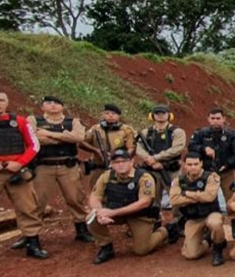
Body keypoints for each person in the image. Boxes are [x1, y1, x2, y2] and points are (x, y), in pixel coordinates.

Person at [28, 95, 93, 243]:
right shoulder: (33, 120)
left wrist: (49, 134)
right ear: (42, 107)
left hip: (68, 166)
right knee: (37, 202)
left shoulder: (73, 121)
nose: (52, 105)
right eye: (48, 103)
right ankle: (30, 235)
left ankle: (81, 229)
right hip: (43, 166)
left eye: (56, 103)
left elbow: (78, 138)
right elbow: (33, 138)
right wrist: (64, 137)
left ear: (62, 106)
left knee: (75, 198)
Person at [87, 149, 167, 264]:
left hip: (139, 215)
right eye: (116, 162)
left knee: (141, 250)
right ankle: (106, 247)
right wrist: (100, 212)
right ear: (111, 164)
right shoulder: (106, 176)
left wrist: (112, 213)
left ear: (131, 162)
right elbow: (95, 197)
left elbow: (144, 202)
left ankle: (164, 231)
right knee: (91, 218)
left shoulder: (144, 177)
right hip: (116, 212)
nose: (120, 165)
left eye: (123, 161)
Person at [0, 92, 48, 259]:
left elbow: (34, 145)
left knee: (27, 207)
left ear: (7, 102)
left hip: (17, 171)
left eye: (1, 100)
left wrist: (19, 163)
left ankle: (32, 243)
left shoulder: (20, 122)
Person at [135, 104, 186, 243]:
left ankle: (178, 224)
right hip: (152, 171)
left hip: (172, 170)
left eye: (163, 113)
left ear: (169, 115)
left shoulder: (177, 132)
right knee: (153, 199)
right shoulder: (147, 132)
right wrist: (149, 159)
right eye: (157, 113)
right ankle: (155, 223)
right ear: (152, 116)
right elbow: (138, 148)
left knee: (177, 198)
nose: (160, 116)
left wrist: (156, 158)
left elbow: (177, 149)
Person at [169, 152, 227, 266]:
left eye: (196, 164)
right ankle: (208, 241)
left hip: (211, 213)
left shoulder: (211, 176)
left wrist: (187, 194)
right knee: (191, 254)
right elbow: (174, 200)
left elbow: (210, 197)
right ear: (184, 165)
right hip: (193, 218)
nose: (193, 167)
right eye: (189, 164)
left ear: (201, 164)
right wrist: (199, 197)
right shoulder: (178, 180)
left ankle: (218, 248)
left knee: (215, 223)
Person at [187, 107, 235, 201]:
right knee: (205, 198)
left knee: (232, 199)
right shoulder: (201, 133)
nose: (215, 121)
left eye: (218, 118)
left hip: (226, 172)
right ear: (208, 119)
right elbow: (191, 147)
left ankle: (232, 215)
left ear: (224, 119)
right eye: (213, 118)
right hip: (207, 172)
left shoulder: (233, 135)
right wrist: (204, 149)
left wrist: (227, 164)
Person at [84, 103, 136, 189]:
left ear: (119, 116)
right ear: (103, 115)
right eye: (107, 113)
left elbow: (131, 148)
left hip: (118, 167)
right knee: (95, 190)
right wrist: (96, 150)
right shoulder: (96, 129)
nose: (110, 116)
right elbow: (82, 142)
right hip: (99, 167)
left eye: (113, 114)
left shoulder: (126, 130)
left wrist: (120, 158)